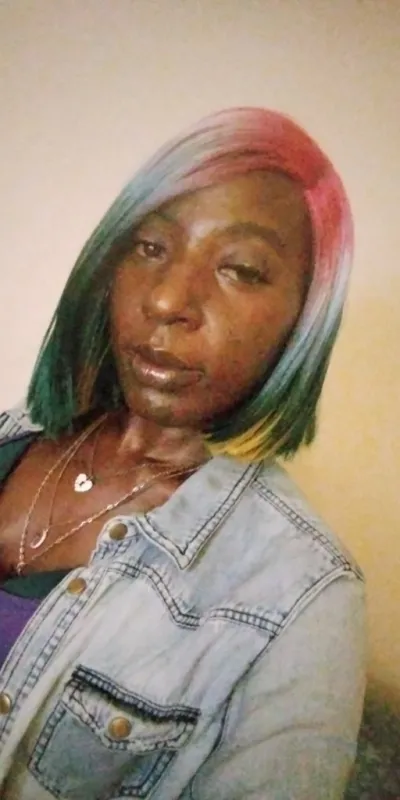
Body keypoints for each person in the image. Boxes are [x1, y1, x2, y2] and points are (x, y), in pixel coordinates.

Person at [0, 107, 366, 799]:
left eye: (241, 269)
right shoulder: (11, 433)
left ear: (304, 318)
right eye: (149, 246)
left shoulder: (304, 597)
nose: (168, 299)